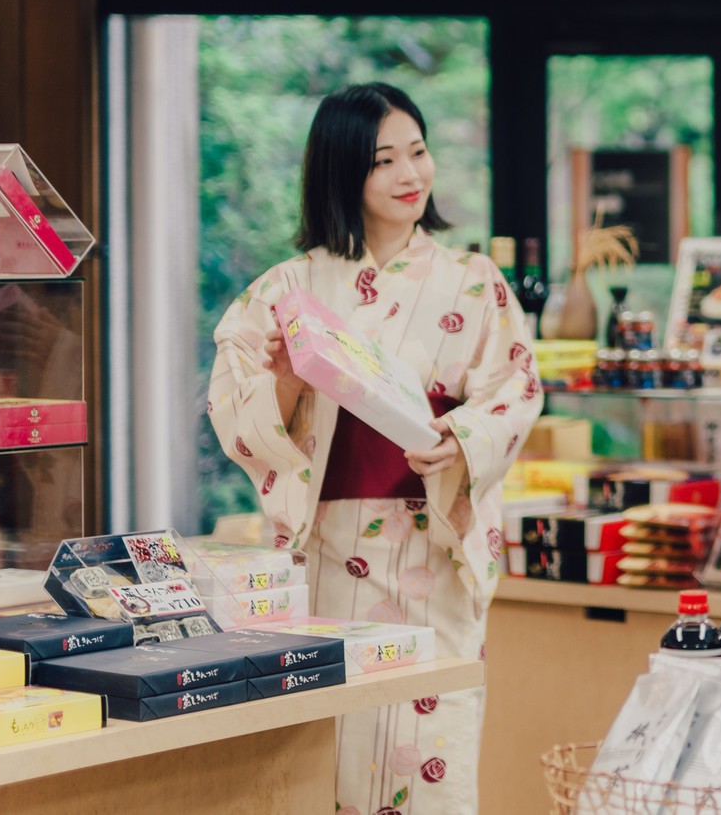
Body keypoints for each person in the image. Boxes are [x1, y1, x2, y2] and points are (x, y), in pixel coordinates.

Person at [208, 82, 543, 815]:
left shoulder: (474, 281)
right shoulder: (286, 289)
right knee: (334, 744)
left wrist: (460, 437)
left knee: (437, 745)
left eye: (417, 152)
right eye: (383, 159)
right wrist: (287, 382)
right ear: (341, 171)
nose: (409, 174)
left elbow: (516, 389)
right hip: (329, 547)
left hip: (434, 539)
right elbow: (234, 409)